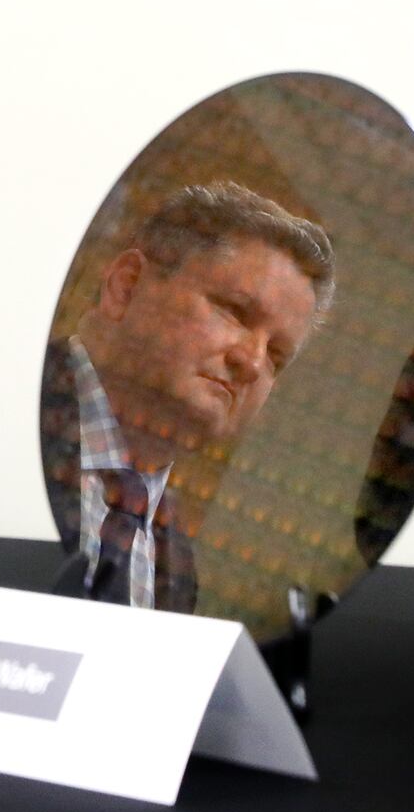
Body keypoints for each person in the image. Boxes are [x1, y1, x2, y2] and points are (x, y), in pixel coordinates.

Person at [42, 181, 334, 611]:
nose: (252, 363)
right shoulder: (10, 413)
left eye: (277, 355)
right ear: (126, 286)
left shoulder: (178, 568)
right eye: (234, 311)